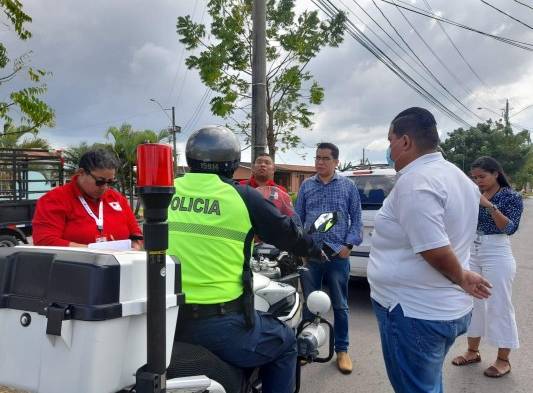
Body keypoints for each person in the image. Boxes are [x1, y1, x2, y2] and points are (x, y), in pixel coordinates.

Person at [167, 125, 324, 393]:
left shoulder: (165, 191)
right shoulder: (242, 196)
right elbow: (286, 233)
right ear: (232, 163)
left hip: (168, 319)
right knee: (286, 343)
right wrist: (315, 249)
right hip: (219, 323)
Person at [367, 107, 492, 393]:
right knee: (428, 382)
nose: (389, 149)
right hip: (439, 307)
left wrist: (461, 277)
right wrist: (461, 275)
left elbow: (434, 248)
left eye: (390, 141)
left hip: (414, 313)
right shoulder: (456, 176)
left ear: (406, 141)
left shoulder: (416, 182)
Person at [451, 156, 523, 378]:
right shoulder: (472, 194)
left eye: (482, 176)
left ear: (496, 174)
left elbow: (509, 228)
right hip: (472, 249)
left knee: (498, 303)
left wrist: (489, 205)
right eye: (474, 178)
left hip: (496, 250)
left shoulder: (511, 197)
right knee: (472, 303)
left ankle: (503, 360)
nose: (478, 181)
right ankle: (473, 351)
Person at [295, 142, 362, 374]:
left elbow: (356, 218)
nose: (320, 162)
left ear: (336, 162)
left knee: (340, 305)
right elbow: (297, 218)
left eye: (325, 158)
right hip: (312, 254)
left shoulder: (348, 186)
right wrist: (301, 247)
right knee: (310, 303)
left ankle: (342, 350)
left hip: (337, 255)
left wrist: (349, 245)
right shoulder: (306, 186)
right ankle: (306, 346)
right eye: (317, 158)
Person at [32, 149, 142, 248]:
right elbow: (45, 241)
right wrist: (94, 252)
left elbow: (136, 234)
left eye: (110, 182)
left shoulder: (117, 198)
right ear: (81, 173)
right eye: (100, 181)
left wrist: (136, 245)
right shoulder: (55, 199)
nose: (105, 187)